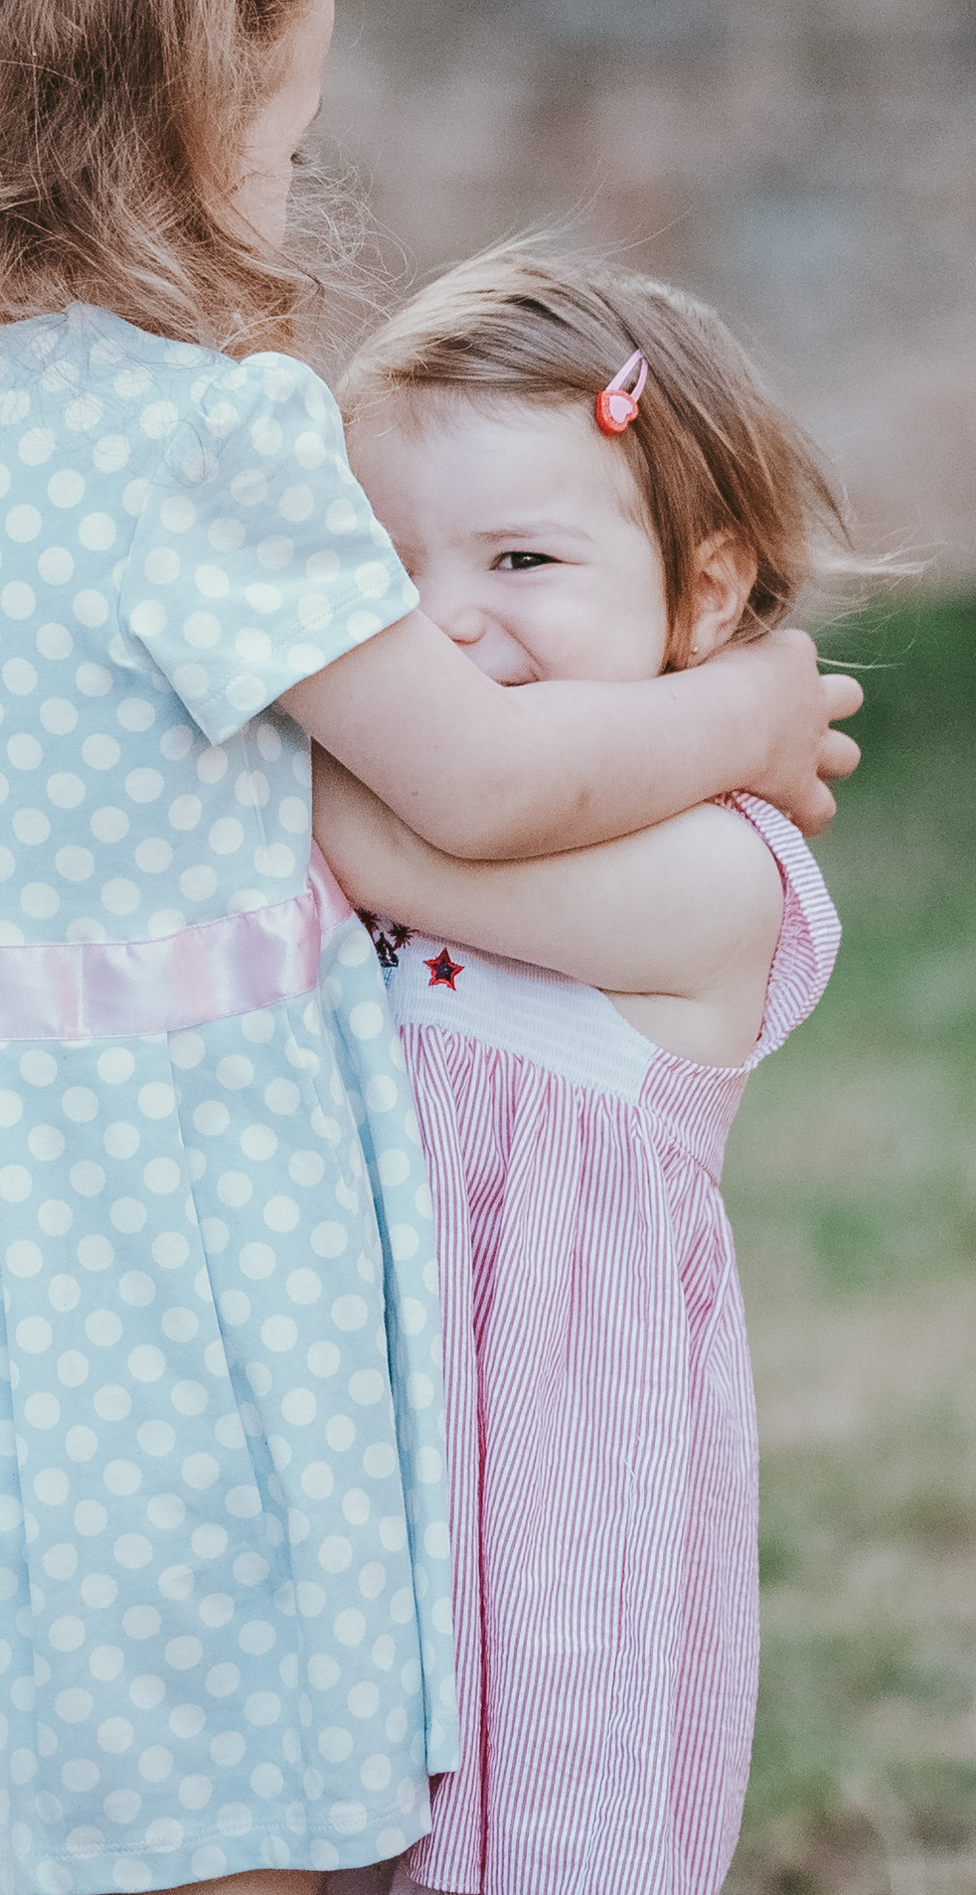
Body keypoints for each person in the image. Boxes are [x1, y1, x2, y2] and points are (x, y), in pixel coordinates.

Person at [0, 0, 862, 1895]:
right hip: (146, 1210)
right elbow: (465, 786)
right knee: (210, 1797)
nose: (285, 192)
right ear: (158, 128)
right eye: (271, 140)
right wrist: (747, 703)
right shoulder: (195, 442)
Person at [310, 250, 855, 1895]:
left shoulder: (723, 874)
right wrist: (749, 699)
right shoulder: (438, 782)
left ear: (705, 591)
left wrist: (751, 717)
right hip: (357, 1436)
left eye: (523, 559)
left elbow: (372, 837)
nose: (443, 621)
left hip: (554, 1478)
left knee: (538, 1828)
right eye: (388, 573)